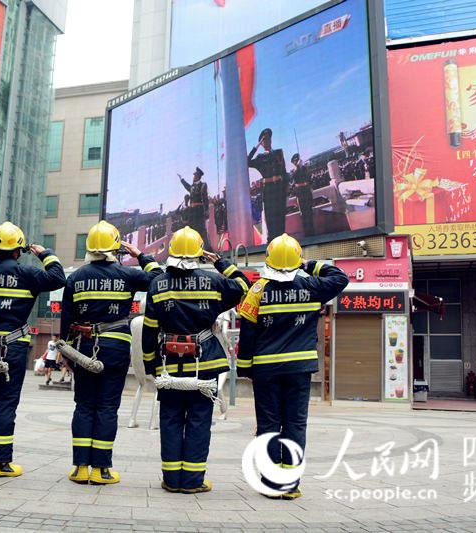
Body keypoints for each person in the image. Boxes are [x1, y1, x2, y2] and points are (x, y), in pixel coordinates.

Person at [237, 233, 349, 499]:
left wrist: (245, 370)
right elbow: (341, 277)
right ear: (297, 260)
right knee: (295, 424)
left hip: (266, 370)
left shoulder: (258, 290)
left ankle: (271, 483)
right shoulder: (312, 285)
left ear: (269, 260)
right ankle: (290, 485)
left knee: (268, 425)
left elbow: (247, 334)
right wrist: (309, 264)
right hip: (299, 369)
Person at [142, 226, 249, 494]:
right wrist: (223, 263)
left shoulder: (157, 284)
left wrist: (151, 366)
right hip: (206, 363)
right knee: (199, 421)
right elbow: (244, 286)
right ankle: (192, 481)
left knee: (170, 421)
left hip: (168, 365)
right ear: (199, 255)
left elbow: (149, 331)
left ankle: (171, 479)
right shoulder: (214, 282)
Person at [0, 221, 65, 478]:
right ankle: (1, 463)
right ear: (19, 248)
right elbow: (58, 277)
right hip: (13, 347)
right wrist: (44, 253)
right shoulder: (27, 273)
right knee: (5, 403)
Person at [61, 220, 163, 485]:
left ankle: (80, 467)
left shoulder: (75, 278)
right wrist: (140, 255)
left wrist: (66, 351)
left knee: (84, 406)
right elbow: (156, 277)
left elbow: (66, 320)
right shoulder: (126, 274)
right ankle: (101, 469)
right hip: (115, 347)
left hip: (83, 346)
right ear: (114, 249)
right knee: (107, 407)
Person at [248, 128, 288, 241]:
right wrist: (256, 146)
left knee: (280, 219)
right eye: (263, 140)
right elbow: (247, 161)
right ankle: (272, 245)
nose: (266, 141)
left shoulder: (278, 153)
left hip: (279, 189)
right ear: (261, 143)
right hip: (268, 191)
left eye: (268, 138)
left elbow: (284, 173)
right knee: (270, 219)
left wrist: (286, 191)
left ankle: (282, 243)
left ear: (271, 140)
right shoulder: (260, 158)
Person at [178, 168, 212, 252]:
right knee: (191, 230)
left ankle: (209, 250)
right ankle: (193, 250)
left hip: (199, 210)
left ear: (198, 176)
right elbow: (187, 186)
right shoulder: (192, 187)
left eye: (195, 175)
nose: (193, 177)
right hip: (192, 212)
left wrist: (206, 210)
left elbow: (205, 198)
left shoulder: (203, 185)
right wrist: (181, 179)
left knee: (202, 231)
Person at [290, 154, 314, 237]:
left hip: (307, 191)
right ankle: (307, 233)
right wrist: (297, 168)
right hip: (300, 194)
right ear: (293, 162)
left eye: (298, 160)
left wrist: (301, 167)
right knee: (303, 214)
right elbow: (293, 179)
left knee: (310, 212)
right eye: (295, 161)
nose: (297, 162)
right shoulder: (293, 171)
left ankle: (312, 232)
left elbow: (309, 178)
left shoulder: (304, 168)